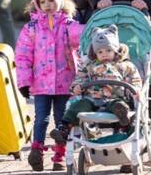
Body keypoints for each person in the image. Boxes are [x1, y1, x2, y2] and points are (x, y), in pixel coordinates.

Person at [50, 24, 142, 174]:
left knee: (120, 105)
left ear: (116, 50)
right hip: (92, 100)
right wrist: (77, 87)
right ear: (95, 52)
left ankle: (123, 122)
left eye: (108, 50)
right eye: (100, 51)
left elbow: (136, 81)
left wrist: (136, 90)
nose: (104, 54)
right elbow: (79, 79)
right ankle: (64, 129)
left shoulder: (125, 66)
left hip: (114, 98)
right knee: (78, 105)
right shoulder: (89, 66)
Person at [15, 0, 84, 172]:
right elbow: (22, 56)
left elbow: (83, 35)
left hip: (64, 81)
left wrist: (98, 30)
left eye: (51, 0)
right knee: (41, 118)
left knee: (62, 119)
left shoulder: (68, 25)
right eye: (42, 2)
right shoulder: (31, 28)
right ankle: (36, 150)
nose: (47, 5)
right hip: (41, 83)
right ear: (36, 5)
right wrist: (24, 81)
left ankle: (60, 156)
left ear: (60, 0)